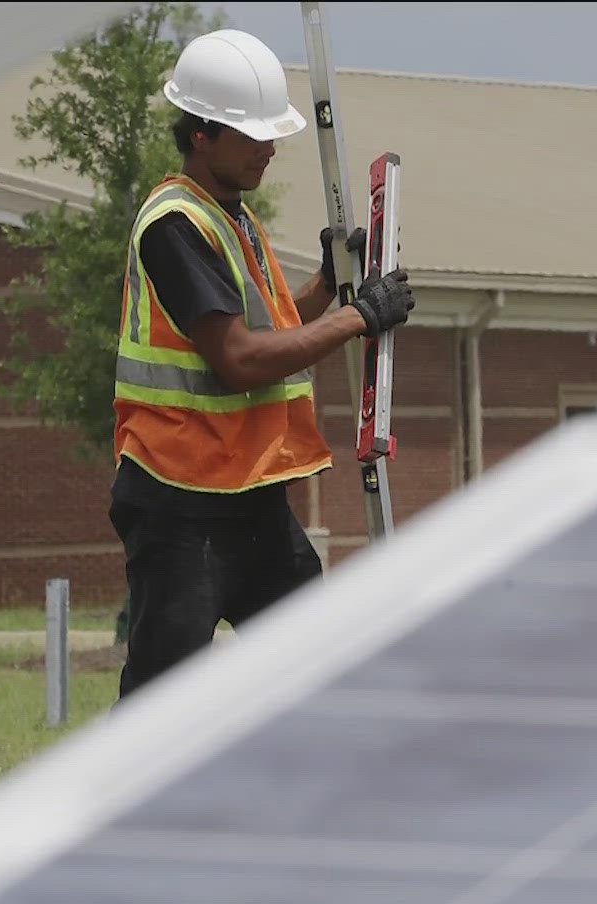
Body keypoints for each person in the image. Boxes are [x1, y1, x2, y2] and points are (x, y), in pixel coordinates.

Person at [109, 28, 415, 698]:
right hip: (179, 500)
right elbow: (240, 361)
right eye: (253, 137)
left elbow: (271, 328)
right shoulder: (174, 225)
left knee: (312, 662)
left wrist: (334, 284)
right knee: (160, 697)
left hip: (246, 496)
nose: (270, 150)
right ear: (201, 135)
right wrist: (359, 317)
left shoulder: (231, 219)